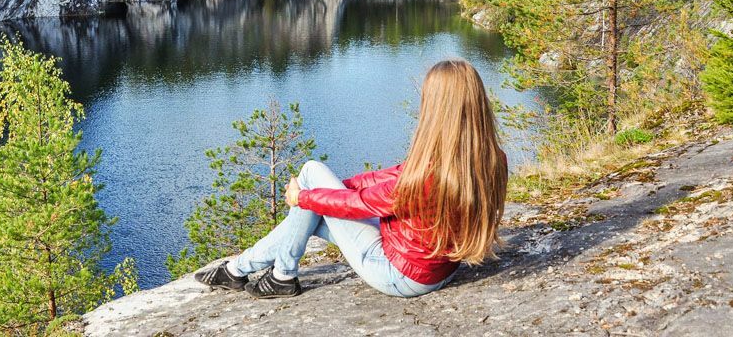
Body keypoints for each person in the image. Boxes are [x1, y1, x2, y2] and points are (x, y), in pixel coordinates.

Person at [196, 59, 508, 298]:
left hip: (401, 275)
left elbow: (363, 204)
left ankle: (273, 275)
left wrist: (304, 197)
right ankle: (244, 271)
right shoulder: (489, 158)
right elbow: (389, 178)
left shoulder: (431, 174)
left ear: (437, 108)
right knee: (314, 196)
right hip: (441, 268)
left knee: (310, 176)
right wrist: (336, 188)